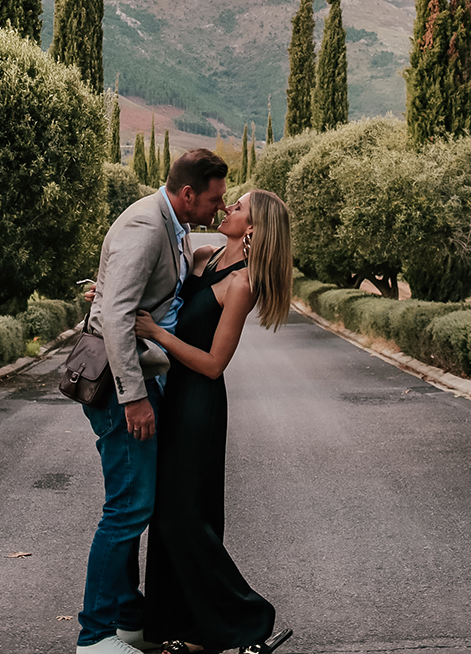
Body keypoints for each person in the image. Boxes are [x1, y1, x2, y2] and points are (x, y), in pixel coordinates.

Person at [77, 149, 229, 654]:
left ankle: (127, 621)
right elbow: (117, 318)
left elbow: (138, 293)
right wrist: (135, 399)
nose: (218, 208)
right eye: (213, 199)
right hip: (123, 386)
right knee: (127, 507)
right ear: (188, 193)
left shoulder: (174, 225)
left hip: (144, 378)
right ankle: (95, 636)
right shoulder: (147, 226)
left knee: (139, 502)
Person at [134, 188, 294, 654]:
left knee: (181, 517)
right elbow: (160, 292)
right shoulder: (202, 257)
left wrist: (157, 334)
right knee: (167, 518)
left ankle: (250, 619)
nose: (228, 208)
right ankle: (185, 630)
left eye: (238, 206)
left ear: (253, 228)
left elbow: (212, 364)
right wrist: (113, 295)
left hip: (200, 404)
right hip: (172, 394)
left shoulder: (241, 284)